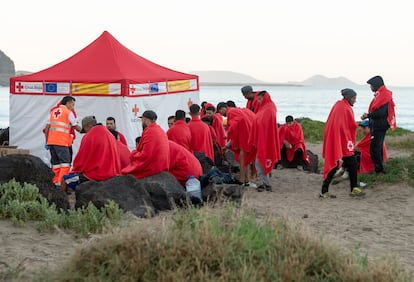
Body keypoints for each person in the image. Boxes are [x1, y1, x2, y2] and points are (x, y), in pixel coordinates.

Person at [321, 88, 363, 198]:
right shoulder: (345, 108)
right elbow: (349, 125)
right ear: (349, 98)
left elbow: (342, 123)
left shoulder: (338, 105)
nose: (355, 100)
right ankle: (325, 191)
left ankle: (326, 191)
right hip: (342, 140)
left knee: (345, 164)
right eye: (354, 98)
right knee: (339, 164)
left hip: (339, 139)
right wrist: (358, 124)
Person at [62, 116, 121, 192]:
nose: (85, 133)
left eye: (85, 130)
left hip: (97, 175)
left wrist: (74, 170)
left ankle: (60, 201)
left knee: (65, 179)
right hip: (113, 173)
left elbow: (81, 159)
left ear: (88, 126)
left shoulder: (90, 136)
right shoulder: (109, 134)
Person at [44, 96, 81, 188]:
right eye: (72, 104)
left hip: (52, 142)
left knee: (55, 164)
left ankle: (55, 182)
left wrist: (47, 141)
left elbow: (47, 128)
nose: (73, 107)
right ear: (68, 103)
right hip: (61, 142)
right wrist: (85, 131)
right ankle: (61, 184)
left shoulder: (53, 112)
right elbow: (75, 126)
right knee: (65, 164)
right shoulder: (68, 112)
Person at [361, 75, 396, 175]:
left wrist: (368, 115)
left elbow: (380, 113)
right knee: (378, 147)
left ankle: (379, 170)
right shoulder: (380, 94)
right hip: (378, 125)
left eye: (371, 85)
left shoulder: (384, 95)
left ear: (376, 85)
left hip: (379, 126)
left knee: (374, 149)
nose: (370, 87)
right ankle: (380, 169)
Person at [122, 110, 169, 179]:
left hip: (153, 169)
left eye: (142, 120)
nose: (141, 122)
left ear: (145, 119)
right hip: (162, 166)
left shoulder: (149, 131)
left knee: (124, 173)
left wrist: (133, 154)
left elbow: (146, 155)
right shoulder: (161, 130)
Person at [249, 91, 280, 192]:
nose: (258, 101)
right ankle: (265, 183)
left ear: (265, 98)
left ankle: (267, 185)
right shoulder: (266, 107)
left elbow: (265, 124)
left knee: (260, 162)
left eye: (260, 99)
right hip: (263, 139)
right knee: (259, 162)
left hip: (266, 140)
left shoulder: (269, 109)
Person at [226, 106, 256, 186]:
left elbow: (233, 126)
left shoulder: (231, 112)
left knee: (243, 158)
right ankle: (246, 180)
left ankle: (242, 180)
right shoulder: (243, 111)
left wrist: (232, 141)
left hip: (244, 138)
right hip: (250, 135)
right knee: (246, 159)